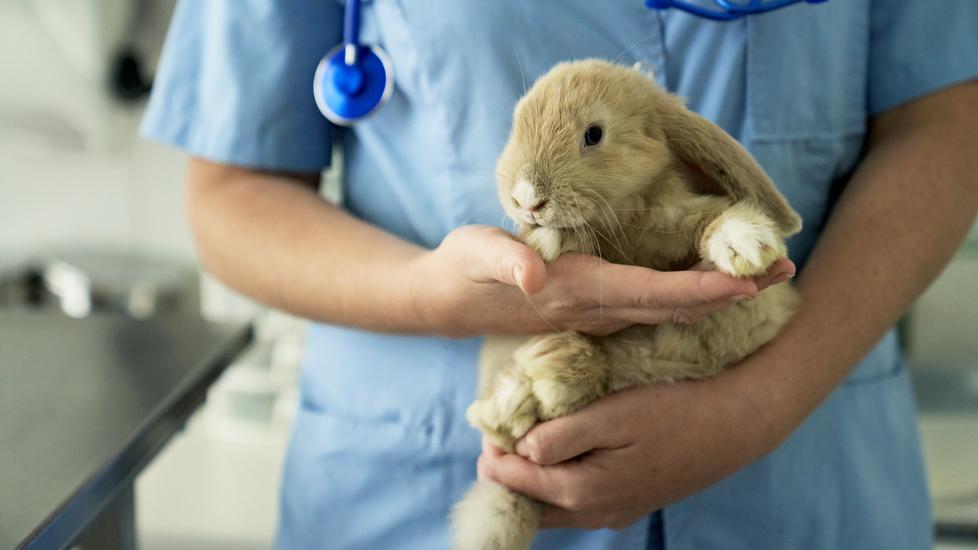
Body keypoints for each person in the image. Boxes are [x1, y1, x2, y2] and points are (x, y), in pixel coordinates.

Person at [141, 1, 978, 548]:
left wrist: (763, 403)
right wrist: (432, 297)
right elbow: (231, 192)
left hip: (797, 470)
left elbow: (945, 121)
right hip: (418, 474)